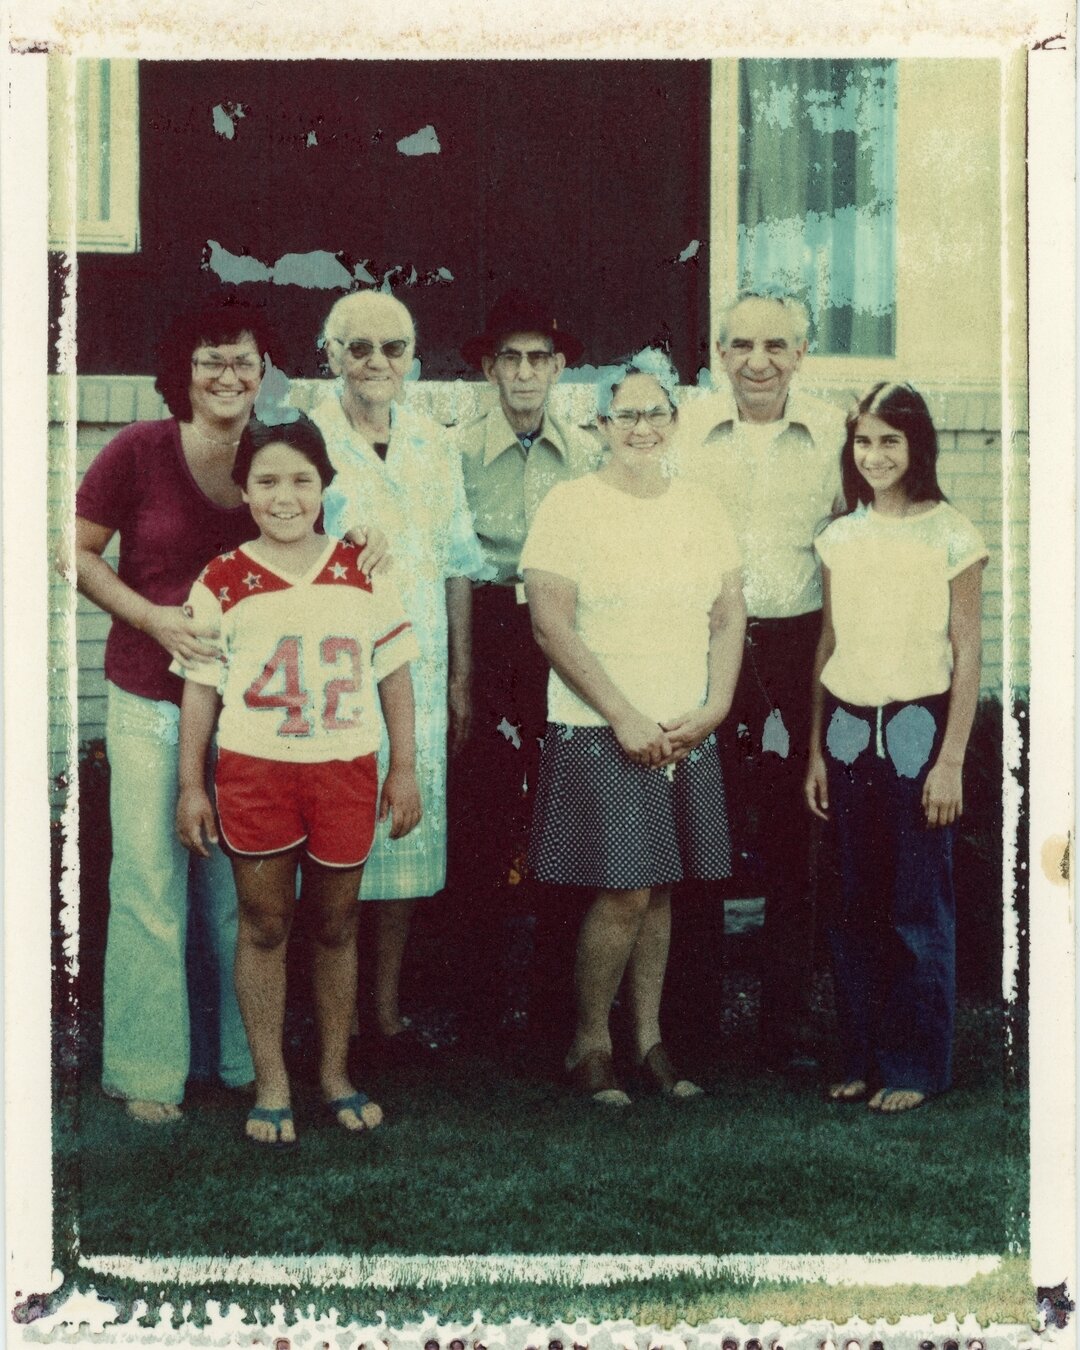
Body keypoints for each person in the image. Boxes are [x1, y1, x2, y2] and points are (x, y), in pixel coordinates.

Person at [175, 414, 422, 1147]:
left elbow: (395, 673)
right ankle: (272, 1079)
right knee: (265, 921)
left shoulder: (361, 568)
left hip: (344, 765)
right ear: (244, 490)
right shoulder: (222, 577)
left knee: (337, 921)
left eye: (301, 480)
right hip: (256, 767)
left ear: (325, 487)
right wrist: (193, 784)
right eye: (268, 481)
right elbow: (200, 687)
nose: (285, 497)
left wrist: (404, 767)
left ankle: (335, 1073)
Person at [522, 350, 745, 1104]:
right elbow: (552, 627)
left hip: (685, 722)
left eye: (656, 412)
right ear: (600, 423)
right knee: (623, 890)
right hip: (599, 723)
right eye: (626, 413)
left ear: (675, 422)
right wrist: (621, 714)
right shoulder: (569, 506)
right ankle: (589, 1044)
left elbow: (726, 615)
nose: (641, 426)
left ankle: (649, 1041)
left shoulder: (703, 506)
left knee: (662, 888)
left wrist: (714, 709)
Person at [312, 291, 489, 1059]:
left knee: (405, 838)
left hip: (419, 669)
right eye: (359, 348)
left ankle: (384, 1016)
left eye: (393, 348)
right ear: (331, 355)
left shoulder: (431, 441)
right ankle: (336, 1022)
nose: (376, 363)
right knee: (340, 843)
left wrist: (460, 680)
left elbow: (456, 564)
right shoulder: (304, 437)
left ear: (414, 358)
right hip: (336, 671)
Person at [804, 382, 987, 1113]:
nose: (875, 455)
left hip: (918, 727)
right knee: (854, 903)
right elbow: (829, 642)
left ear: (917, 446)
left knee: (917, 902)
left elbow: (967, 654)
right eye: (864, 442)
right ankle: (860, 1056)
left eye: (890, 440)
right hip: (848, 728)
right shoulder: (840, 535)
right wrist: (816, 751)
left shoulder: (951, 533)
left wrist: (950, 759)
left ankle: (915, 1064)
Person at [677, 290, 846, 1070]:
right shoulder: (682, 434)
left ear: (801, 355)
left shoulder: (836, 437)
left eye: (777, 345)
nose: (759, 361)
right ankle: (693, 1030)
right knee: (702, 834)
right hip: (704, 645)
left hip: (797, 649)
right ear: (719, 354)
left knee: (792, 843)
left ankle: (784, 1028)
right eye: (742, 345)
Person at [450, 291, 600, 1052]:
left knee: (560, 804)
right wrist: (461, 676)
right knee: (481, 810)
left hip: (562, 633)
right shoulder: (454, 449)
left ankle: (552, 1008)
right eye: (510, 358)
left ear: (560, 367)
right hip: (486, 626)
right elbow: (451, 564)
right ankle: (475, 1008)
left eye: (539, 358)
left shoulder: (587, 454)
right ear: (488, 367)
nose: (524, 372)